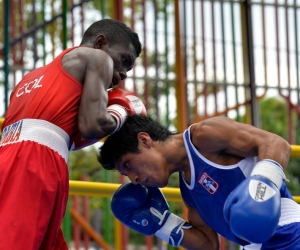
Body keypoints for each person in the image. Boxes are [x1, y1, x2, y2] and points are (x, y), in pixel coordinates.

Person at [0, 19, 143, 249]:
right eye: (124, 60)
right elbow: (93, 125)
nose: (123, 73)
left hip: (13, 157)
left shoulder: (28, 80)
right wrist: (122, 111)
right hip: (35, 163)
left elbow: (67, 136)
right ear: (101, 42)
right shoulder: (98, 58)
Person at [98, 114, 300, 250]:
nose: (133, 179)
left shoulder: (204, 136)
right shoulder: (189, 191)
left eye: (128, 164)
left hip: (290, 231)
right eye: (126, 175)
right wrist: (162, 224)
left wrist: (262, 187)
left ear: (144, 140)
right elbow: (208, 245)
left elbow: (275, 143)